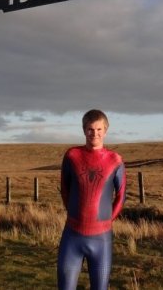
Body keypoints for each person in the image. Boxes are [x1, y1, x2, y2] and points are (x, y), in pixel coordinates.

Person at [57, 109, 126, 290]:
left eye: (98, 129)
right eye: (90, 129)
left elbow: (121, 196)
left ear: (105, 130)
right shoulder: (72, 156)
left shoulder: (115, 160)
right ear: (84, 130)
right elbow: (65, 189)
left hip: (101, 239)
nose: (94, 134)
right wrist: (75, 215)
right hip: (72, 235)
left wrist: (106, 221)